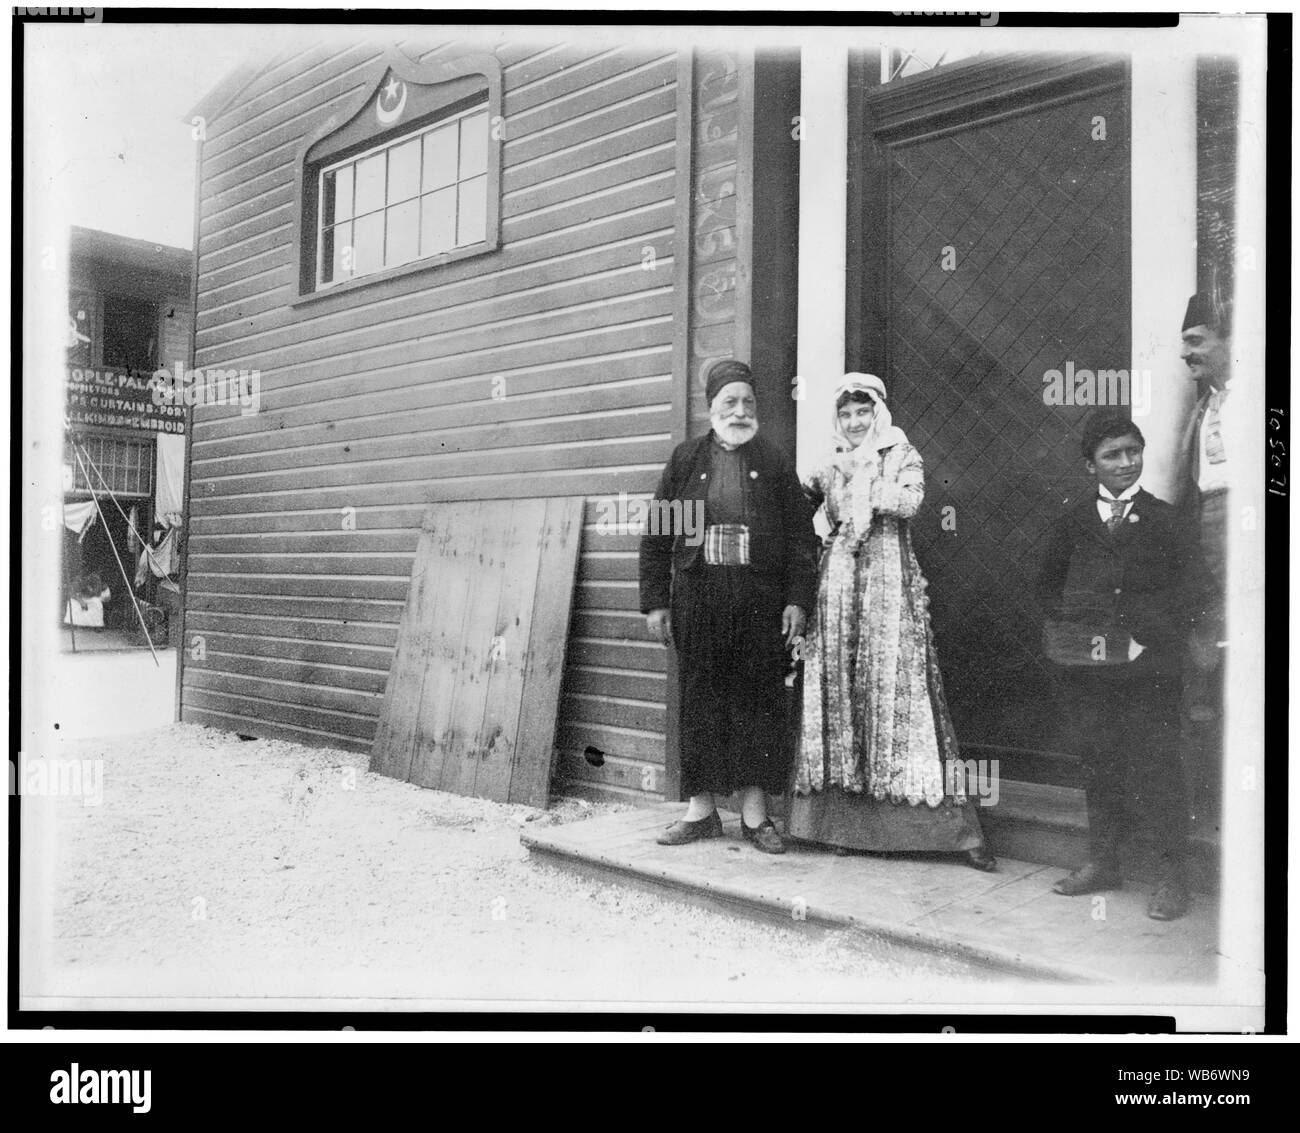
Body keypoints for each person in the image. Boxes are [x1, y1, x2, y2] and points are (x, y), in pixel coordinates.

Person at [790, 373, 995, 871]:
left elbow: (909, 502)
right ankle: (838, 827)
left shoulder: (901, 452)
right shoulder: (828, 460)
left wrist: (864, 478)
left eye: (863, 412)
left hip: (887, 581)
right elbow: (796, 509)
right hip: (839, 581)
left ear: (878, 412)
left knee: (896, 687)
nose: (855, 422)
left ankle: (940, 833)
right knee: (839, 689)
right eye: (846, 414)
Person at [640, 359, 819, 853]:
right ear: (711, 408)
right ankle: (701, 812)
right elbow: (658, 537)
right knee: (701, 702)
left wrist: (797, 600)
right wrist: (656, 602)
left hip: (759, 601)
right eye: (730, 402)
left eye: (748, 403)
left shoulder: (774, 462)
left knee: (759, 702)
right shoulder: (687, 461)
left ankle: (756, 817)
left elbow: (801, 539)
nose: (740, 411)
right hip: (699, 598)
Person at [1036, 410, 1203, 920]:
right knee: (1099, 759)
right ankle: (1104, 862)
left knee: (1158, 764)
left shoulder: (1166, 520)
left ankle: (1173, 876)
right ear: (1091, 465)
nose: (1127, 462)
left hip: (1151, 668)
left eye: (1134, 451)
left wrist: (1149, 635)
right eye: (1112, 455)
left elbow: (1194, 592)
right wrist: (1080, 632)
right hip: (1092, 669)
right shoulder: (1071, 522)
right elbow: (1047, 589)